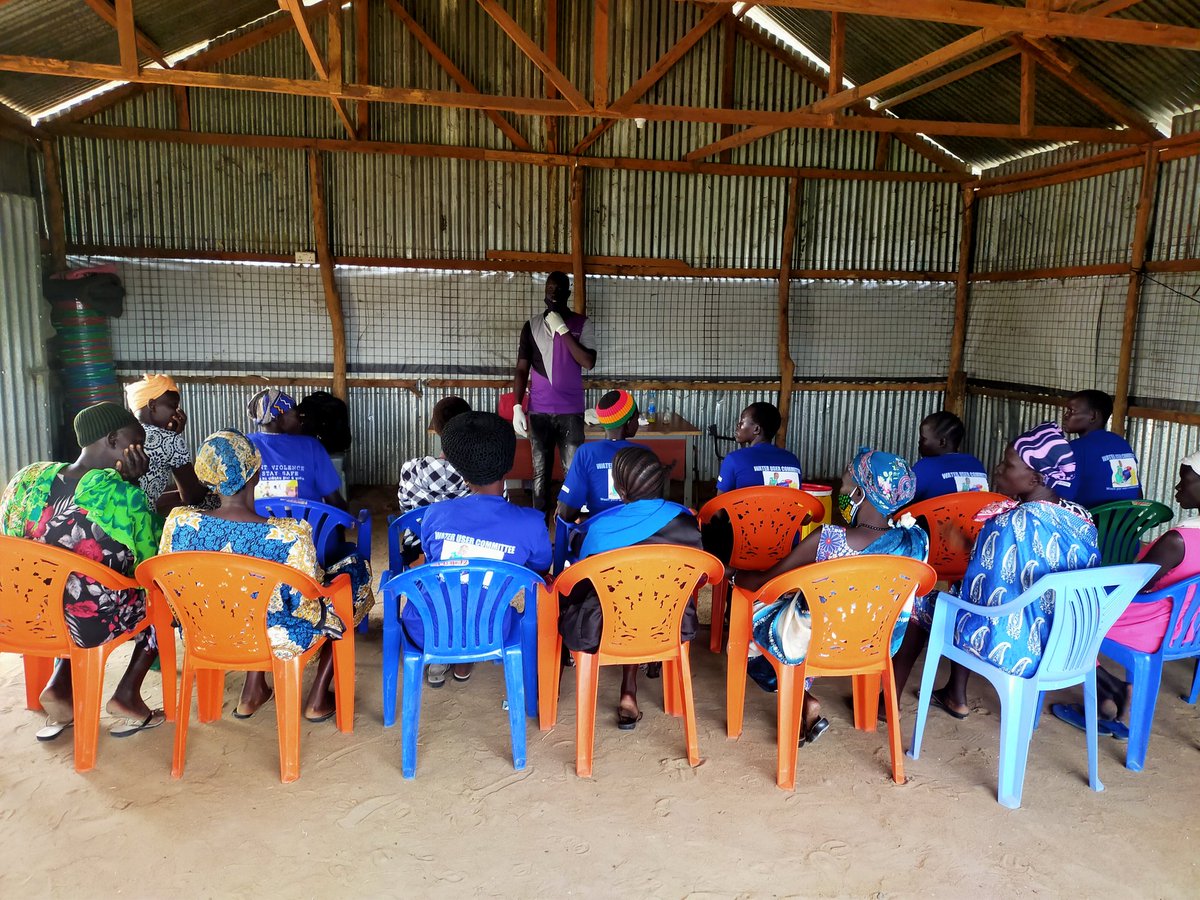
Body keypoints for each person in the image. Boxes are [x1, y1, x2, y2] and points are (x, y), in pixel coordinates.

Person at [159, 431, 374, 722]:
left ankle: (253, 690)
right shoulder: (287, 535)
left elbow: (170, 588)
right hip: (273, 638)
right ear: (255, 474)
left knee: (246, 596)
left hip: (204, 632)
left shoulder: (179, 524)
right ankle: (318, 697)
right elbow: (306, 607)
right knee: (352, 576)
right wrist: (328, 613)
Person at [737, 448, 929, 745]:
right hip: (877, 642)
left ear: (860, 496)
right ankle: (803, 698)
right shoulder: (915, 541)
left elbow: (765, 582)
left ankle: (802, 696)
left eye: (845, 486)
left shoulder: (827, 539)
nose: (842, 491)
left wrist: (733, 574)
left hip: (819, 643)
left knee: (750, 624)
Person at [911, 422, 1099, 719]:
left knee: (917, 602)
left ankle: (888, 700)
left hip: (1016, 645)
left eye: (1007, 464)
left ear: (1035, 478)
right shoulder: (1081, 516)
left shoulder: (1007, 524)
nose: (998, 469)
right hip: (1068, 642)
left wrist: (968, 549)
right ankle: (954, 693)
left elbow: (981, 596)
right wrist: (974, 544)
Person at [0, 402, 164, 740]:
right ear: (114, 438)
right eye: (139, 442)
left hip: (25, 612)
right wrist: (132, 487)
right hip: (87, 623)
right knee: (162, 600)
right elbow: (151, 560)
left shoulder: (28, 477)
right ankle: (128, 694)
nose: (143, 452)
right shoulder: (121, 496)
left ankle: (60, 686)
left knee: (68, 586)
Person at [1051, 451, 1200, 734]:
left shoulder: (1178, 540)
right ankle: (1109, 693)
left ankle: (1106, 694)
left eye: (1186, 481)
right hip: (1190, 629)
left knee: (1066, 615)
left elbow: (1135, 586)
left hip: (1153, 626)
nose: (1178, 488)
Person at [559, 446, 704, 730]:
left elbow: (578, 587)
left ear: (620, 491)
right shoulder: (687, 522)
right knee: (641, 600)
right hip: (672, 624)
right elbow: (699, 578)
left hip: (607, 629)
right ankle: (630, 688)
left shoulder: (601, 530)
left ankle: (626, 688)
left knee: (614, 601)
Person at [414, 411, 552, 686]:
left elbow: (433, 562)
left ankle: (449, 656)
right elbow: (538, 571)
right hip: (491, 628)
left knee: (453, 592)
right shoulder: (531, 525)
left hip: (426, 627)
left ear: (459, 469)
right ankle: (467, 659)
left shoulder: (434, 515)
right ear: (508, 464)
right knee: (483, 601)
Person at [512, 271, 597, 514]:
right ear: (544, 292)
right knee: (540, 476)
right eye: (549, 290)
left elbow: (588, 361)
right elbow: (521, 368)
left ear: (568, 293)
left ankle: (571, 534)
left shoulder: (582, 324)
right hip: (538, 412)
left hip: (571, 412)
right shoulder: (531, 326)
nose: (553, 294)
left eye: (559, 290)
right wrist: (517, 405)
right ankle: (541, 530)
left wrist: (562, 329)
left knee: (574, 476)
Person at [395, 396, 474, 562]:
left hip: (420, 551)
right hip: (473, 551)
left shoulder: (411, 469)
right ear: (470, 425)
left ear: (436, 429)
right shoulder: (485, 472)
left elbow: (405, 508)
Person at [124, 373, 213, 514]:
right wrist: (215, 491)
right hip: (140, 525)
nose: (178, 413)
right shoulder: (169, 440)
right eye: (173, 406)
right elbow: (192, 497)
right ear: (152, 405)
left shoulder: (120, 435)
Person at [556, 390, 647, 522]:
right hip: (639, 538)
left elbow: (566, 513)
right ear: (628, 423)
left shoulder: (586, 453)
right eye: (636, 418)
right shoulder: (644, 454)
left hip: (599, 538)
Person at [246, 388, 345, 509]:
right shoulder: (311, 446)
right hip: (307, 526)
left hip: (259, 527)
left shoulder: (245, 445)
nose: (300, 419)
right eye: (295, 413)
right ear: (279, 418)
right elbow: (335, 502)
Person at [1062, 389, 1141, 508]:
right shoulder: (1121, 443)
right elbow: (1137, 492)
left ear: (1093, 416)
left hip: (1090, 523)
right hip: (1126, 523)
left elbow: (1064, 495)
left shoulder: (1076, 448)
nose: (1065, 416)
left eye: (1071, 411)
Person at [716, 402, 803, 492]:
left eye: (742, 421)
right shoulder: (793, 460)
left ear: (756, 429)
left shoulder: (734, 459)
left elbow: (720, 503)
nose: (738, 425)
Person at [911, 411, 989, 502]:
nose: (919, 442)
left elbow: (902, 501)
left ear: (942, 442)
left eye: (923, 438)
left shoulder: (925, 467)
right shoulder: (976, 464)